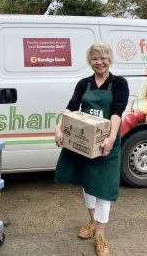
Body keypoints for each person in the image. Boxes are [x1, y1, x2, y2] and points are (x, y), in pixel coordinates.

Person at [54, 41, 129, 256]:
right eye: (95, 58)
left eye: (103, 58)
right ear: (90, 61)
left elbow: (117, 111)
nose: (99, 62)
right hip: (86, 145)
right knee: (88, 185)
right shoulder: (83, 83)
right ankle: (92, 221)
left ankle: (100, 235)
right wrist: (59, 128)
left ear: (110, 59)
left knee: (103, 189)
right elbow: (71, 107)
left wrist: (111, 138)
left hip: (107, 145)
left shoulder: (118, 83)